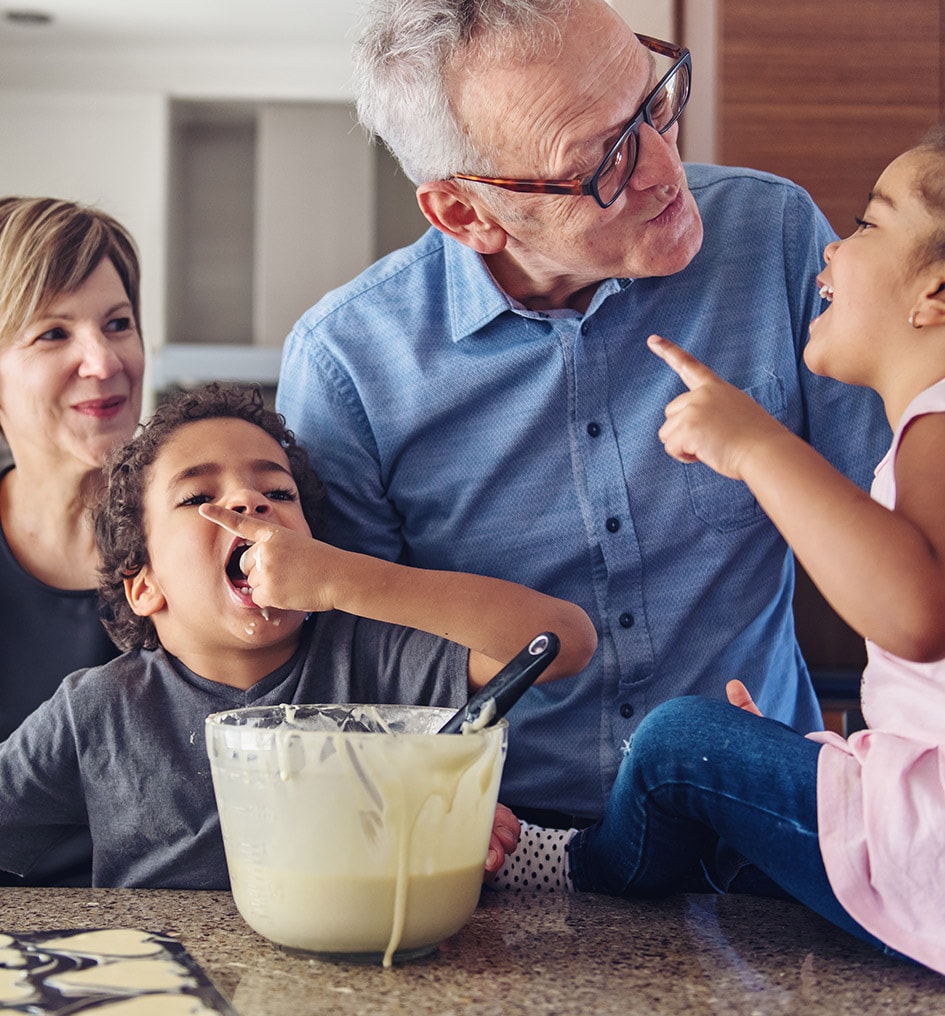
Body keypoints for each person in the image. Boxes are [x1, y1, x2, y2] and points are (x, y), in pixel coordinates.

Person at [275, 0, 888, 824]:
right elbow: (356, 655)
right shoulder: (348, 366)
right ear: (466, 212)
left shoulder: (774, 236)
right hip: (498, 847)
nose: (662, 169)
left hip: (764, 812)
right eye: (599, 163)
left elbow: (897, 524)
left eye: (653, 105)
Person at [490, 127, 945, 975]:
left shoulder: (938, 425)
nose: (831, 250)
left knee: (679, 743)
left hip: (926, 849)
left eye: (866, 224)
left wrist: (756, 448)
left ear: (936, 292)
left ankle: (567, 866)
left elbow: (917, 616)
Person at [0, 383, 594, 889]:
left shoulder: (372, 659)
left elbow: (565, 640)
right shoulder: (95, 712)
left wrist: (346, 577)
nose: (248, 501)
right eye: (199, 497)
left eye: (278, 493)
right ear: (144, 586)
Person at [0, 195, 144, 885]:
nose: (103, 360)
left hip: (170, 927)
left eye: (118, 324)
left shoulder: (203, 540)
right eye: (53, 334)